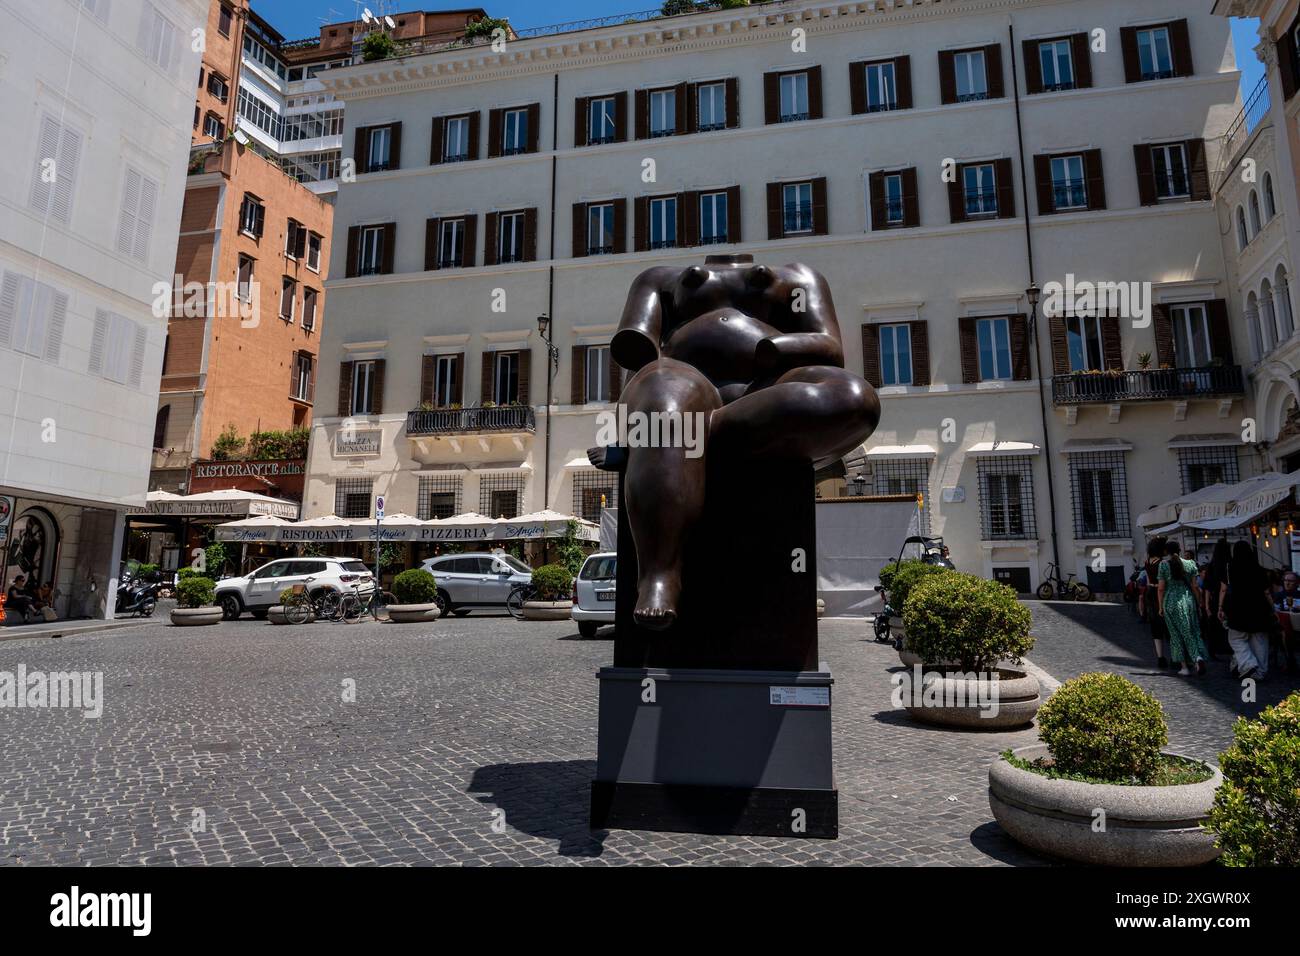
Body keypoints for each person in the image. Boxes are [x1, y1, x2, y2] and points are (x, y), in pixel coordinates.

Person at [1219, 541, 1275, 680]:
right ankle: (1260, 672)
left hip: (1237, 609)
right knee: (1260, 641)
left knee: (1237, 639)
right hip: (1259, 609)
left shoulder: (1229, 569)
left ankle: (1248, 663)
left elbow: (1224, 589)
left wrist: (1220, 607)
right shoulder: (1260, 570)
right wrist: (1273, 608)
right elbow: (1266, 592)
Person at [1158, 539, 1208, 675]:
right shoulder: (1190, 563)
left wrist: (1160, 607)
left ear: (1166, 551)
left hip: (1171, 602)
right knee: (1192, 630)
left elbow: (1161, 588)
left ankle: (1185, 667)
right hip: (1188, 600)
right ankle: (1198, 657)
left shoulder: (1163, 565)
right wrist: (1199, 602)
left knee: (1176, 634)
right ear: (1179, 550)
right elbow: (1195, 586)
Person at [1137, 536, 1170, 668]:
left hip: (1150, 591)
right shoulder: (1162, 563)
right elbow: (1163, 584)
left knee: (1155, 626)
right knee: (1167, 625)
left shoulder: (1147, 562)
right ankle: (1175, 657)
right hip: (1160, 593)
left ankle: (1160, 657)